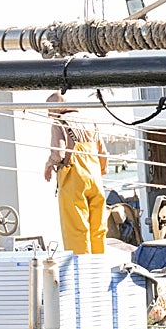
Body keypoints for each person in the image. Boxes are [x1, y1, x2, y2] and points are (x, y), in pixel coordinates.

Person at [42, 92, 109, 254]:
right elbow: (104, 155)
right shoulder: (90, 122)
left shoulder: (59, 123)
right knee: (98, 228)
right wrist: (100, 173)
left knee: (76, 230)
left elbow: (59, 154)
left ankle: (82, 270)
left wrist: (49, 164)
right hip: (96, 180)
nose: (48, 114)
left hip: (74, 181)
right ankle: (99, 267)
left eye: (49, 110)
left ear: (55, 108)